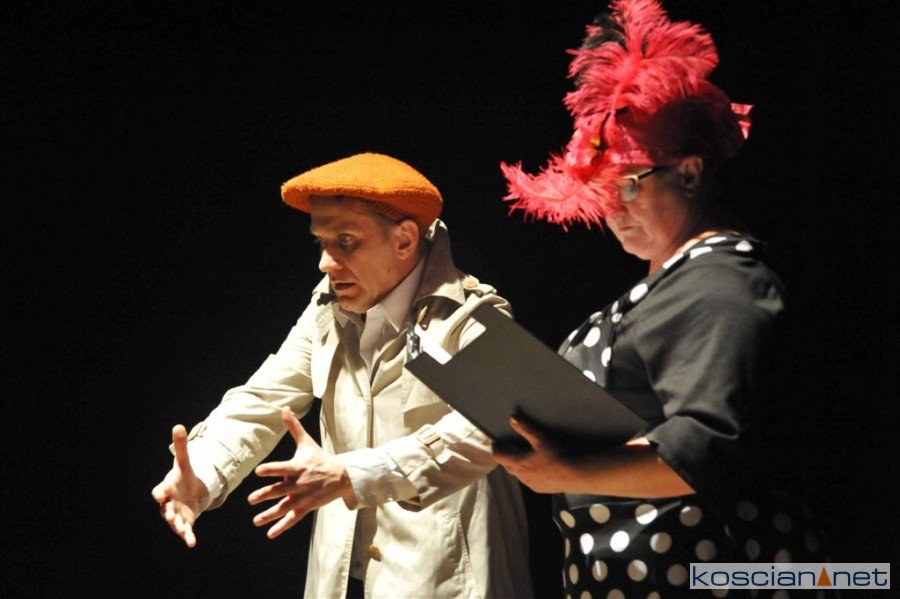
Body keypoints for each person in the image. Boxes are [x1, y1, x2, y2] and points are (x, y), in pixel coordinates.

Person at [493, 1, 835, 597]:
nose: (613, 208)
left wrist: (571, 469)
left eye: (628, 185)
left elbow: (709, 445)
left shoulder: (719, 281)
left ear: (690, 175)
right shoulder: (671, 284)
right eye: (601, 191)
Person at [151, 152, 533, 599]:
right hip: (340, 581)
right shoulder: (327, 310)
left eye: (346, 242)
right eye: (321, 243)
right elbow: (265, 397)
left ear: (405, 240)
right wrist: (203, 471)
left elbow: (486, 431)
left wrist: (351, 474)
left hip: (445, 583)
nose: (325, 263)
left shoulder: (473, 316)